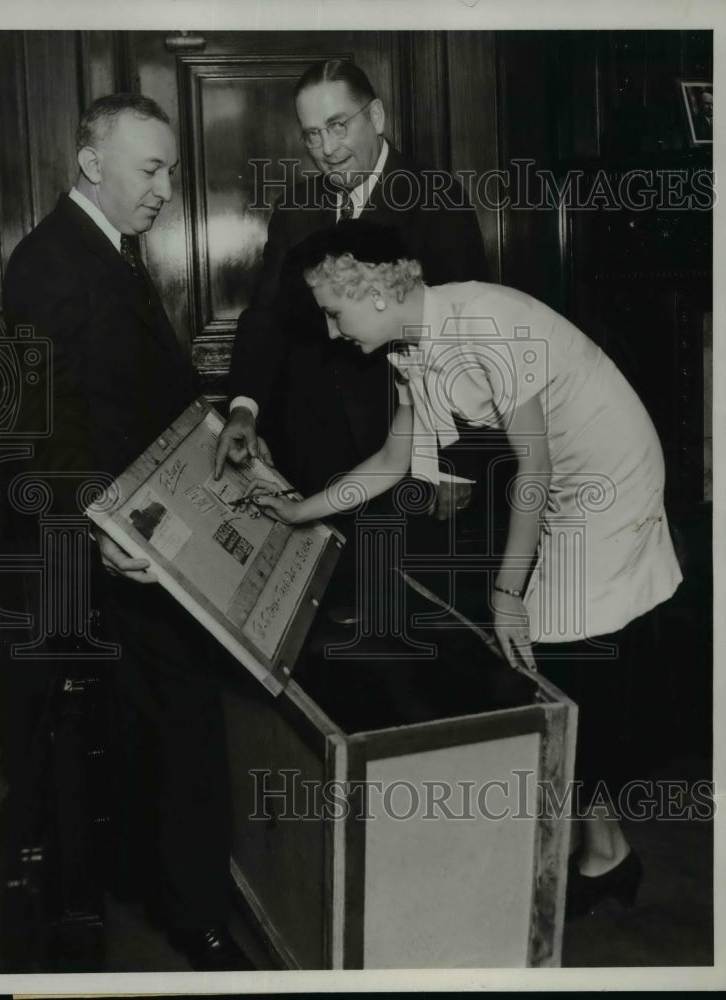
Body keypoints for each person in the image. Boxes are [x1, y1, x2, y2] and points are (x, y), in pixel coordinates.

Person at [244, 219, 683, 919]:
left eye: (333, 312)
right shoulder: (411, 345)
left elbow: (533, 466)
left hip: (607, 476)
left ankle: (590, 856)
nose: (330, 331)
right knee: (552, 672)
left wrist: (508, 591)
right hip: (561, 480)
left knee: (549, 661)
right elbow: (393, 462)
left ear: (375, 290)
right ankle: (606, 851)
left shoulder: (481, 321)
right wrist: (300, 510)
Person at [1, 93, 251, 970]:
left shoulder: (107, 248)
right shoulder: (50, 262)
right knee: (182, 714)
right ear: (91, 162)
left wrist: (223, 445)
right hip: (108, 539)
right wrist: (96, 525)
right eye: (151, 170)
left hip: (145, 521)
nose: (165, 189)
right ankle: (197, 918)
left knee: (168, 712)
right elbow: (40, 427)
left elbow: (145, 390)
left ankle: (166, 889)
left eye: (171, 171)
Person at [214, 59, 491, 618]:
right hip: (310, 454)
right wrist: (244, 408)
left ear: (377, 116)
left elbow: (467, 336)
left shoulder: (437, 198)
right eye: (312, 134)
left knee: (408, 620)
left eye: (338, 126)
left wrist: (456, 463)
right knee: (324, 622)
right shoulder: (295, 209)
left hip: (408, 451)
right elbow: (265, 317)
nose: (327, 149)